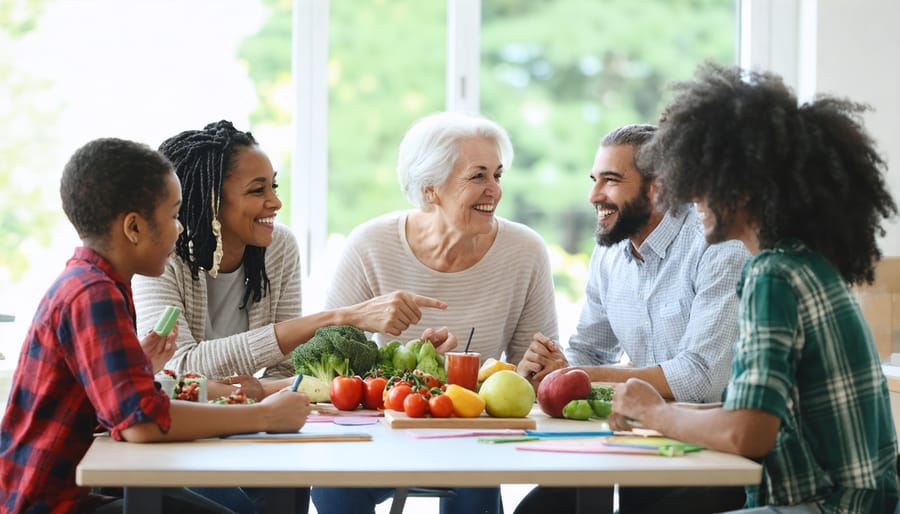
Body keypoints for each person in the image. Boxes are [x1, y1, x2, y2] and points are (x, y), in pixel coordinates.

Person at [610, 63, 900, 513]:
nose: (691, 200)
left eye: (700, 183)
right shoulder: (803, 263)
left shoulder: (772, 276)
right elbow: (760, 413)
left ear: (741, 189)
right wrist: (656, 414)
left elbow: (749, 432)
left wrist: (655, 413)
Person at [0, 138, 312, 514]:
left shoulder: (95, 282)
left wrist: (138, 370)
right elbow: (142, 423)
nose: (180, 229)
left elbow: (113, 405)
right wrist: (263, 415)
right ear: (133, 227)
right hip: (48, 503)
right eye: (174, 215)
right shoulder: (93, 294)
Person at [312, 111, 559, 514]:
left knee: (477, 489)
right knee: (332, 487)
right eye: (478, 176)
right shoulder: (370, 244)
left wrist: (535, 369)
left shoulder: (525, 250)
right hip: (381, 432)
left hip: (471, 437)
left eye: (498, 175)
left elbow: (532, 374)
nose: (494, 190)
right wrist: (407, 361)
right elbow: (325, 357)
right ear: (431, 190)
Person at [513, 123, 750, 514]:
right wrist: (551, 368)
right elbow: (590, 349)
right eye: (594, 180)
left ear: (658, 188)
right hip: (641, 444)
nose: (593, 195)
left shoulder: (718, 246)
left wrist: (577, 376)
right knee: (538, 510)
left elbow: (701, 378)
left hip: (714, 455)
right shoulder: (609, 253)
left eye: (611, 180)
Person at [133, 120, 449, 397]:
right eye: (258, 191)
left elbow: (283, 370)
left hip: (244, 421)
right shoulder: (161, 258)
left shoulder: (279, 248)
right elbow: (177, 367)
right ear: (211, 199)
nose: (276, 202)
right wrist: (337, 317)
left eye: (274, 186)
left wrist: (404, 362)